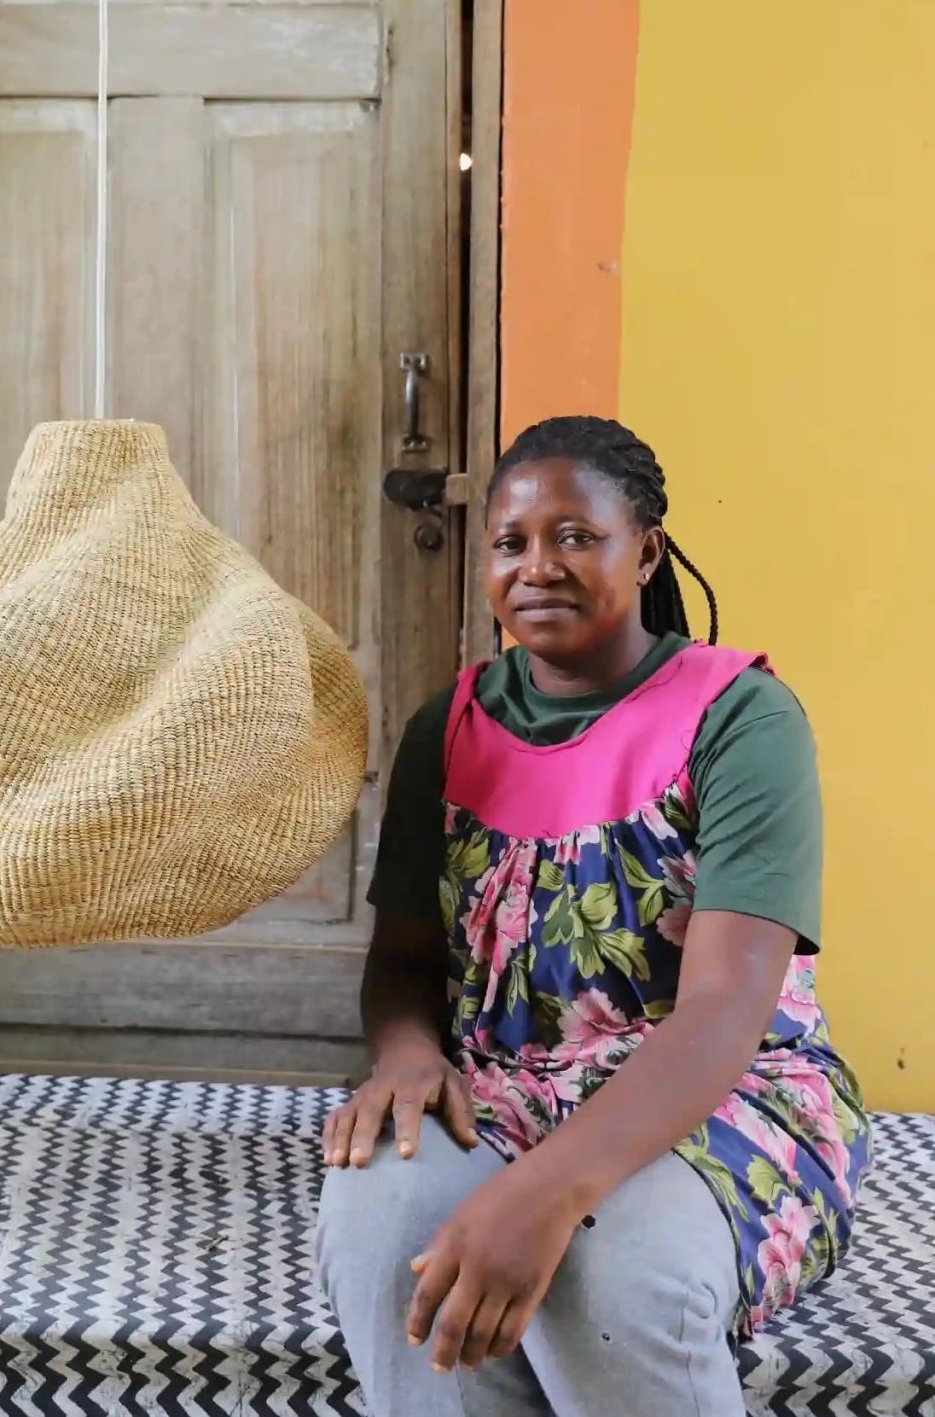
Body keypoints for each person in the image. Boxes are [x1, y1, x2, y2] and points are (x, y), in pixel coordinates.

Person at [317, 415, 870, 1417]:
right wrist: (404, 1056)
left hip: (719, 1095)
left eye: (576, 535)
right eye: (513, 541)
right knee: (381, 1219)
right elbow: (401, 959)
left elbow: (725, 1007)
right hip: (497, 1088)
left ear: (646, 549)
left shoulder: (739, 717)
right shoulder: (447, 726)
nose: (540, 565)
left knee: (604, 1278)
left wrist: (545, 1191)